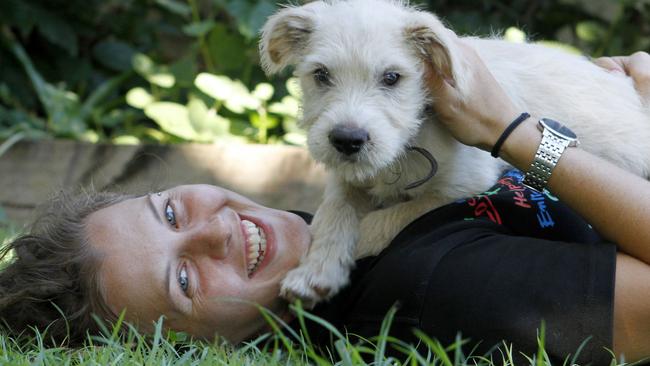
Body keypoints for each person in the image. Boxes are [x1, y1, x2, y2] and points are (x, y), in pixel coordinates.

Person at [1, 49, 649, 364]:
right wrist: (514, 132)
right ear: (208, 351)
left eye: (170, 213)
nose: (214, 232)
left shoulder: (383, 192)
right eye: (185, 279)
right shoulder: (428, 287)